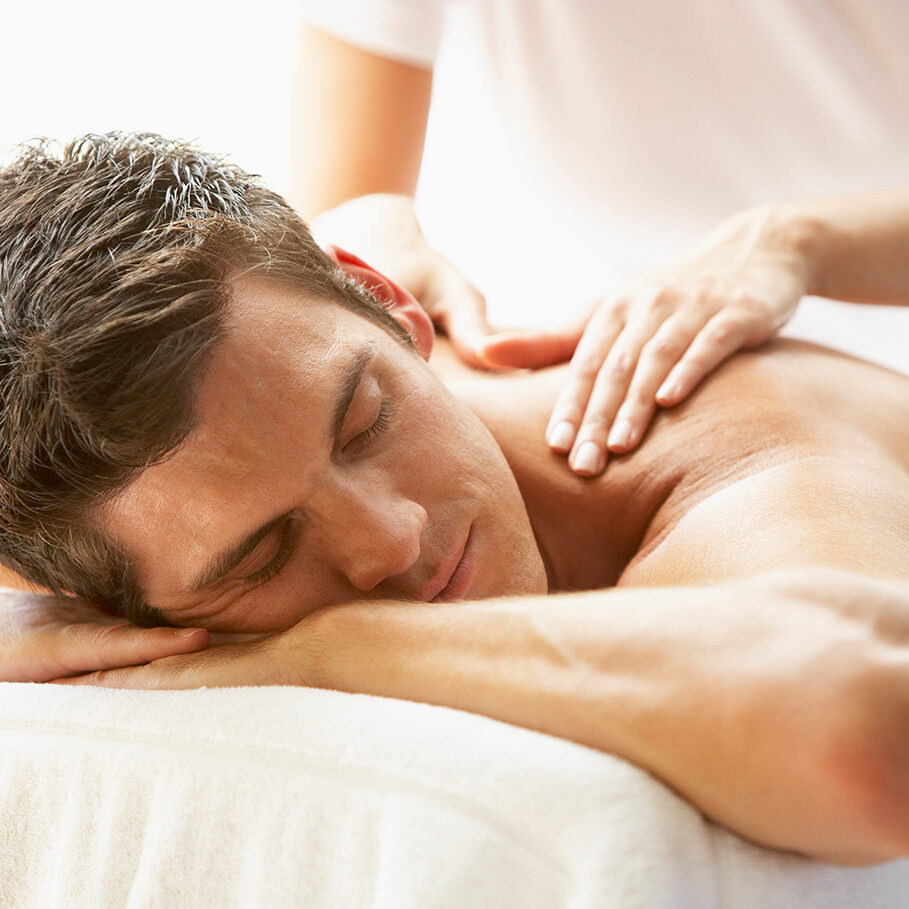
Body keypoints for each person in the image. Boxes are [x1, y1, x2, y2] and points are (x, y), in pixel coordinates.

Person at [1, 133, 909, 865]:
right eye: (262, 554)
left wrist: (335, 645)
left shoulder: (738, 455)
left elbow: (872, 740)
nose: (391, 540)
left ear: (386, 303)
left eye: (365, 422)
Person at [292, 0, 909, 476]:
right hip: (561, 377)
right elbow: (340, 203)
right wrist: (372, 232)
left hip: (852, 372)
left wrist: (795, 241)